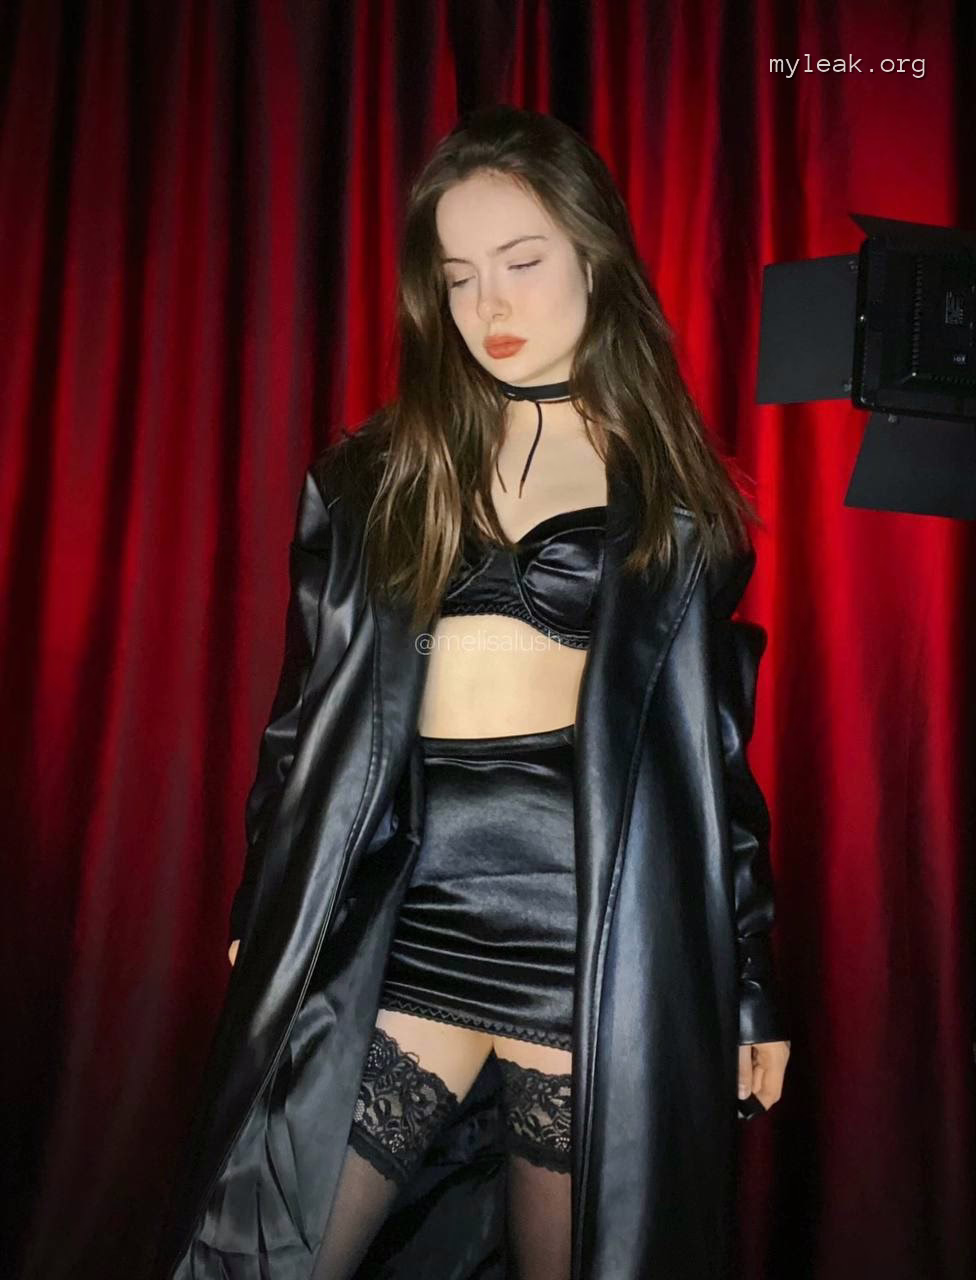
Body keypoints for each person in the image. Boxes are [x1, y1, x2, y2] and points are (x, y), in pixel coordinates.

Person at [155, 104, 790, 1280]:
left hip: (587, 929)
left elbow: (715, 760)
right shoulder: (374, 475)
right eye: (457, 277)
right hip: (407, 910)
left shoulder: (677, 502)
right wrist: (266, 895)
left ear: (593, 253)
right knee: (260, 1245)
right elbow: (303, 715)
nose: (489, 303)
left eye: (521, 260)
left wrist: (751, 985)